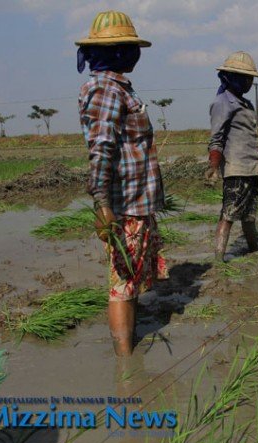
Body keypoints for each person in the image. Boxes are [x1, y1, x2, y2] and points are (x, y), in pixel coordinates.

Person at [76, 10, 169, 356]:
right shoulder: (105, 90)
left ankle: (127, 350)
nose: (134, 55)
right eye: (128, 48)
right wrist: (102, 205)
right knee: (122, 284)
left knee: (128, 282)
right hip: (124, 203)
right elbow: (101, 150)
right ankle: (126, 365)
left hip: (135, 200)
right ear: (116, 51)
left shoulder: (116, 87)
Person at [206, 51, 258, 262]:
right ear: (230, 77)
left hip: (252, 168)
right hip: (236, 169)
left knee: (249, 215)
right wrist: (213, 166)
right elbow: (217, 138)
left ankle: (253, 250)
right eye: (244, 77)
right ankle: (218, 260)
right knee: (228, 215)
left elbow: (248, 140)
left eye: (250, 78)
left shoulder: (246, 104)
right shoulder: (222, 103)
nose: (248, 82)